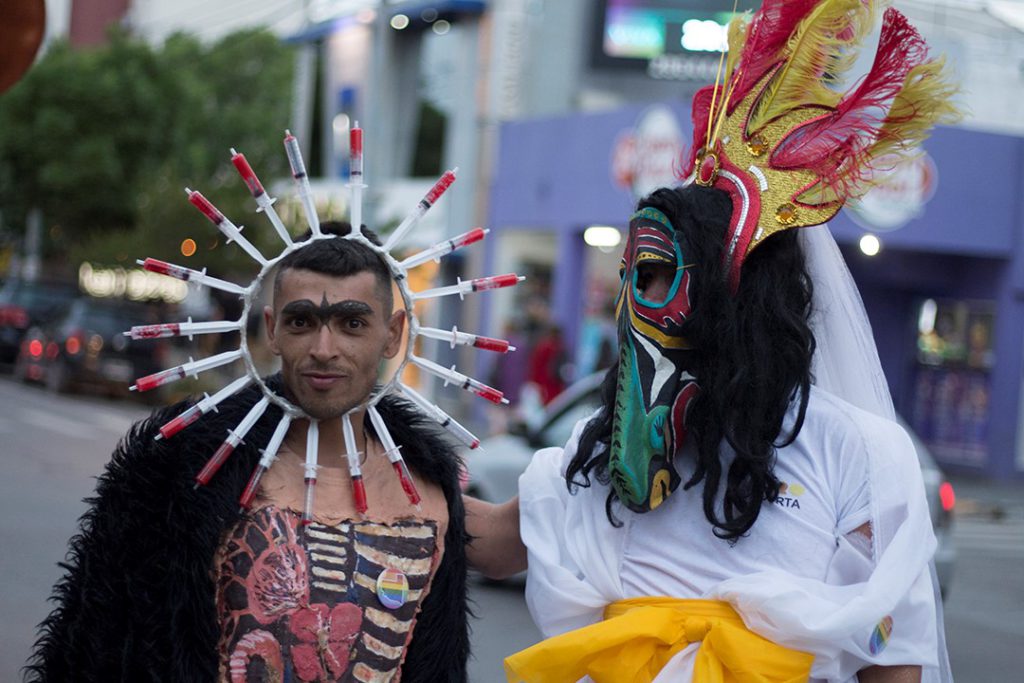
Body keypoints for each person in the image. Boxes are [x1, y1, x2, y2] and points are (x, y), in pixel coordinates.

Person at [465, 2, 958, 681]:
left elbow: (893, 662)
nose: (632, 304)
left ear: (741, 298)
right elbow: (489, 540)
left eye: (657, 275)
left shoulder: (859, 454)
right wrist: (372, 440)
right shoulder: (602, 449)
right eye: (634, 277)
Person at [26, 223, 470, 682]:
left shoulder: (427, 495)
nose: (323, 349)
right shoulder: (183, 477)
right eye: (302, 322)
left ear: (393, 334)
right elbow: (96, 650)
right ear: (272, 329)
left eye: (351, 323)